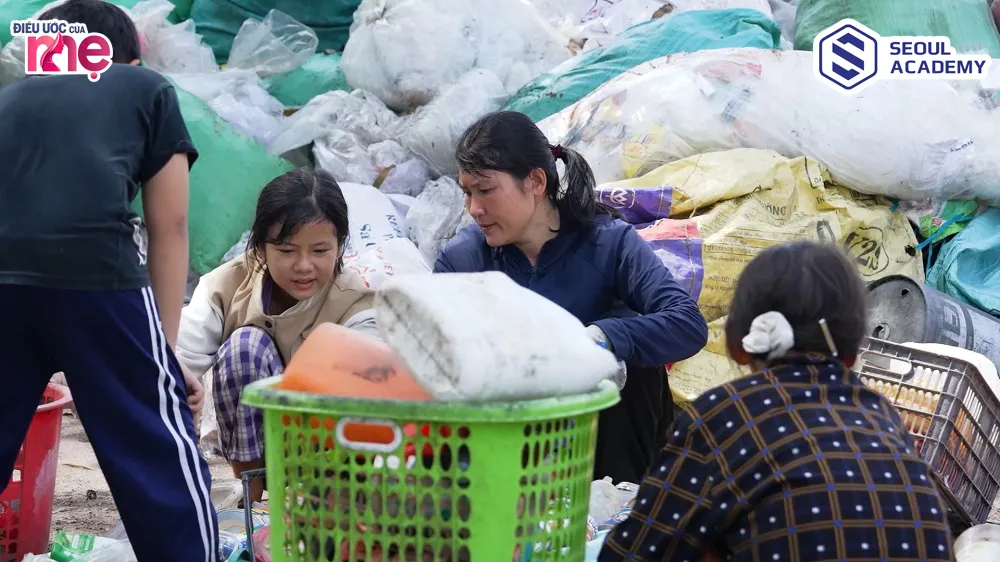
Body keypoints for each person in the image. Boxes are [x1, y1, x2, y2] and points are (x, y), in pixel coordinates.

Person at [0, 1, 218, 560]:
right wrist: (165, 359)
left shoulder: (8, 99)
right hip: (96, 272)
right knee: (154, 446)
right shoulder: (145, 88)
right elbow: (169, 226)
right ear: (127, 55)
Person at [598, 241, 954, 562]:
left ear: (740, 343)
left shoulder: (724, 414)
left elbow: (635, 552)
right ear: (851, 351)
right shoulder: (882, 415)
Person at [434, 111, 708, 483]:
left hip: (603, 448)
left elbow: (688, 324)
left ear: (534, 181)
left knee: (631, 365)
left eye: (485, 190)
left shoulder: (608, 244)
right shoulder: (464, 260)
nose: (474, 209)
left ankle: (618, 512)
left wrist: (604, 339)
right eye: (467, 193)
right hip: (507, 448)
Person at [176, 167, 378, 503]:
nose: (303, 265)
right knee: (246, 349)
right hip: (257, 447)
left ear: (340, 246)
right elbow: (177, 359)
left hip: (329, 451)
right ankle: (251, 501)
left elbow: (376, 389)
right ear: (260, 248)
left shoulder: (356, 303)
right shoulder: (226, 286)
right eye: (286, 251)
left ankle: (329, 505)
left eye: (319, 250)